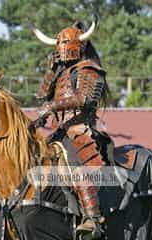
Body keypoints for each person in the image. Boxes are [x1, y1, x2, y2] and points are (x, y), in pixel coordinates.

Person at [32, 18, 108, 238]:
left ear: (79, 46)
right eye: (60, 45)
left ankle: (92, 219)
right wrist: (51, 69)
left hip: (80, 130)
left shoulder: (89, 68)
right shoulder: (62, 73)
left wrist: (52, 106)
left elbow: (85, 99)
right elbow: (42, 95)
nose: (63, 50)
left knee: (76, 163)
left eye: (66, 45)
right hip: (58, 130)